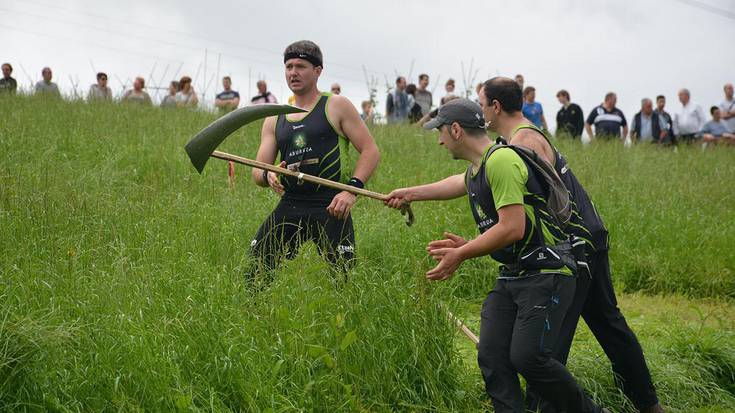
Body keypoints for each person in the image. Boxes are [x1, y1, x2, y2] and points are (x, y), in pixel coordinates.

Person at [385, 97, 609, 413]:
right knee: (491, 355)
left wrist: (463, 252)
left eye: (441, 133)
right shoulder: (480, 168)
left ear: (456, 129)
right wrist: (410, 193)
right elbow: (456, 184)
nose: (439, 140)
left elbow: (512, 228)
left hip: (546, 273)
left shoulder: (501, 161)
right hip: (514, 275)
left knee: (529, 359)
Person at [480, 77, 662, 413]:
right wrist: (416, 192)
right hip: (586, 237)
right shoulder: (518, 138)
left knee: (551, 338)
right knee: (608, 323)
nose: (480, 111)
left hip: (577, 244)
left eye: (481, 104)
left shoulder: (525, 141)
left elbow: (546, 205)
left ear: (495, 106)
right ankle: (648, 403)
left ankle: (549, 406)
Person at [248, 40, 380, 283]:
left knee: (344, 281)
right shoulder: (274, 118)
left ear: (317, 71)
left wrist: (350, 191)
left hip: (331, 204)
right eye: (288, 66)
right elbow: (258, 172)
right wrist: (269, 175)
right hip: (292, 203)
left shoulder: (336, 105)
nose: (293, 72)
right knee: (254, 272)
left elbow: (371, 151)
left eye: (301, 66)